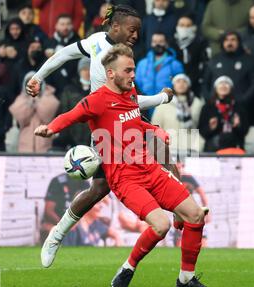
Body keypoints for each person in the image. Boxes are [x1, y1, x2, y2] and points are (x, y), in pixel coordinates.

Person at [35, 43, 213, 287]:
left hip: (149, 168)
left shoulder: (130, 94)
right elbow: (71, 115)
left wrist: (154, 130)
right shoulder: (96, 101)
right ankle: (128, 267)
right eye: (128, 70)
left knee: (195, 216)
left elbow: (135, 123)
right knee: (160, 226)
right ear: (110, 73)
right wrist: (50, 128)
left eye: (133, 70)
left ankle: (186, 280)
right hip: (125, 179)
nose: (133, 75)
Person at [25, 5, 176, 269]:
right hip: (106, 130)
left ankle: (181, 208)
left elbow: (129, 101)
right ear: (115, 27)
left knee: (162, 148)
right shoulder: (96, 45)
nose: (136, 36)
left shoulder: (124, 56)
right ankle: (56, 235)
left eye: (138, 32)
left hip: (130, 122)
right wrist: (162, 97)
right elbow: (63, 55)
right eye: (132, 30)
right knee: (99, 189)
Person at [152, 73, 205, 153]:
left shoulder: (197, 103)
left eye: (184, 81)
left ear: (189, 85)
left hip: (191, 149)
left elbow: (200, 128)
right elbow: (155, 127)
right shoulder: (163, 103)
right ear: (173, 85)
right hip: (168, 148)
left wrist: (198, 147)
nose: (181, 84)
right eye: (178, 81)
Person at [135, 32, 184, 116]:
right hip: (145, 108)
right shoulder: (142, 64)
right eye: (155, 41)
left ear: (166, 43)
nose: (157, 44)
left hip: (167, 108)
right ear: (151, 43)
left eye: (161, 41)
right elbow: (137, 86)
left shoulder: (175, 65)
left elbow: (181, 87)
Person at [8, 72, 59, 153]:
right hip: (25, 147)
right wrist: (31, 103)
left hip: (45, 145)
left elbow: (47, 117)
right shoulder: (20, 98)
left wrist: (37, 101)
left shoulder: (49, 96)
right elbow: (22, 119)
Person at [199, 76, 249, 152]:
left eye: (226, 83)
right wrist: (210, 128)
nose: (223, 86)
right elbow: (202, 131)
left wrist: (238, 125)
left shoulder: (239, 107)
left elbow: (244, 131)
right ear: (215, 88)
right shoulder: (208, 107)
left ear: (231, 88)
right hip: (213, 148)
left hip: (234, 147)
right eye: (220, 83)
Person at [51, 58, 92, 151]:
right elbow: (63, 112)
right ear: (79, 71)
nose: (87, 72)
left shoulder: (98, 90)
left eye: (89, 69)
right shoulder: (69, 90)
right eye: (84, 69)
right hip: (72, 139)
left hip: (91, 138)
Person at [41, 173, 90, 243]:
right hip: (56, 222)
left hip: (75, 224)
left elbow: (86, 210)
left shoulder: (85, 184)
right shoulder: (58, 182)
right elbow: (48, 211)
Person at [170, 14, 211, 97]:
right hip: (174, 86)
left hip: (196, 85)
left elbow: (205, 65)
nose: (184, 28)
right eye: (182, 25)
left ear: (194, 27)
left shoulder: (201, 43)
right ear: (177, 27)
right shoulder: (171, 44)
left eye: (188, 25)